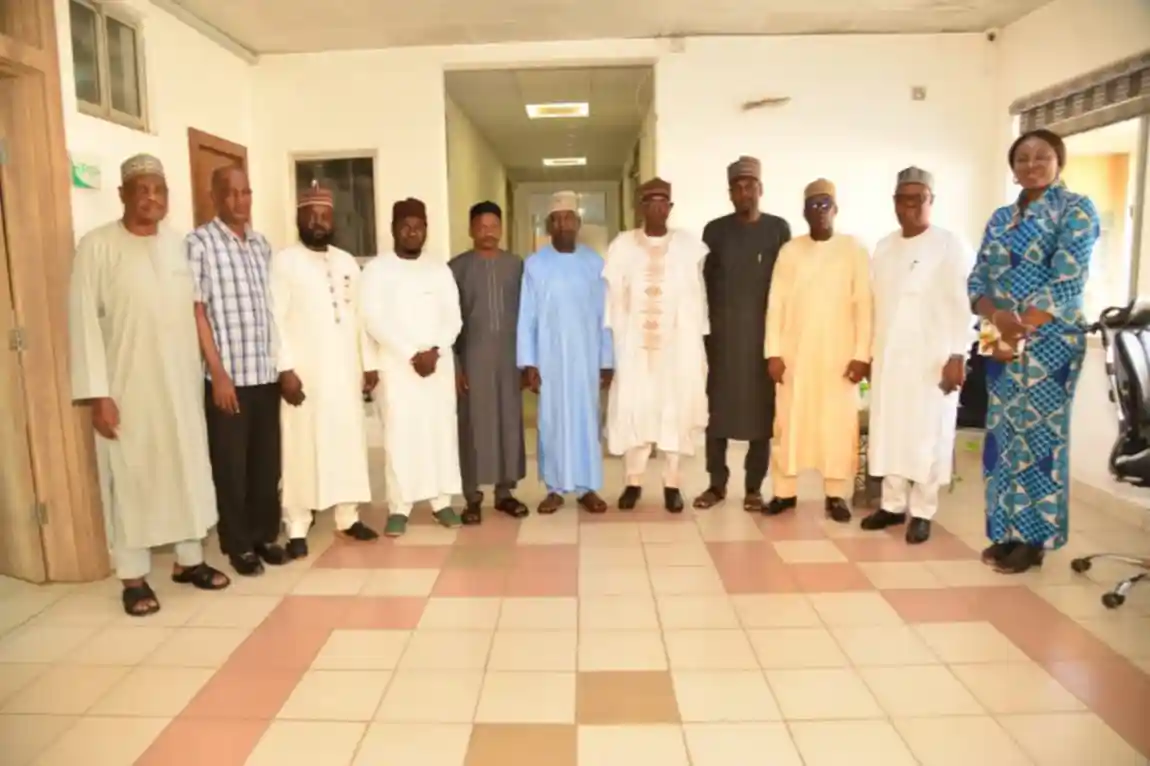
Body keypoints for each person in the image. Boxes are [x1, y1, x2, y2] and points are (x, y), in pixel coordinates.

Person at [69, 154, 230, 616]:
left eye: (158, 189)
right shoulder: (97, 246)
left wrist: (215, 371)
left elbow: (197, 312)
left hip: (180, 386)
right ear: (123, 194)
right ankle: (133, 577)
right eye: (142, 189)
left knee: (187, 471)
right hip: (128, 390)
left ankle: (189, 561)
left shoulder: (179, 245)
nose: (151, 197)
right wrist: (99, 395)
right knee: (133, 480)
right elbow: (83, 324)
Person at [968, 129, 1100, 574]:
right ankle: (1005, 532)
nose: (1031, 164)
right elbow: (978, 280)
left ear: (1059, 162)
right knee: (1002, 436)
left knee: (1040, 440)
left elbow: (1068, 279)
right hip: (999, 333)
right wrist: (996, 325)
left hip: (1049, 340)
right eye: (1022, 158)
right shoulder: (1000, 217)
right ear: (1012, 167)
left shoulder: (1075, 209)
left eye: (1042, 156)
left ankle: (1034, 540)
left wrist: (1019, 327)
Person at [862, 167, 974, 544]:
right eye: (903, 199)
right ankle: (892, 506)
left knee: (929, 435)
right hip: (891, 358)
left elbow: (964, 305)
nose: (909, 206)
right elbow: (876, 304)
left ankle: (923, 511)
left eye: (918, 199)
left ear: (931, 201)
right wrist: (870, 353)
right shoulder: (884, 247)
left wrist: (958, 354)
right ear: (894, 202)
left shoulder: (949, 245)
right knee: (891, 431)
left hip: (933, 359)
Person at [270, 182, 380, 559]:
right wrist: (285, 369)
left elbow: (360, 317)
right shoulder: (284, 262)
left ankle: (348, 518)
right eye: (312, 215)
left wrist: (369, 364)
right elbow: (274, 319)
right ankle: (297, 526)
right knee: (301, 450)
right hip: (305, 377)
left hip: (345, 375)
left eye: (325, 216)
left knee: (347, 445)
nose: (319, 222)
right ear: (299, 218)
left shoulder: (346, 262)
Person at [187, 165, 287, 576]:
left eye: (245, 192)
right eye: (229, 193)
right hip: (228, 379)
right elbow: (197, 310)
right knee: (231, 467)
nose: (239, 200)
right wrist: (218, 373)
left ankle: (264, 535)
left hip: (265, 373)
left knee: (266, 464)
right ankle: (238, 543)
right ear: (214, 196)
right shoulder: (199, 243)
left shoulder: (262, 246)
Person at [765, 179, 873, 523]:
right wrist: (773, 353)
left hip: (838, 357)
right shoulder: (790, 251)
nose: (820, 211)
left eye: (825, 204)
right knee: (788, 423)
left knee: (837, 425)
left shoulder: (853, 249)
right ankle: (784, 492)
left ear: (836, 209)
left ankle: (836, 495)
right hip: (795, 355)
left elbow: (864, 306)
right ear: (804, 212)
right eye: (813, 205)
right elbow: (776, 304)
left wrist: (862, 355)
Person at [603, 178, 709, 512]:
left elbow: (697, 298)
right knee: (635, 409)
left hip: (677, 348)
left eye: (663, 202)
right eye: (650, 202)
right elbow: (614, 299)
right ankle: (633, 482)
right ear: (640, 207)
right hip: (635, 347)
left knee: (674, 412)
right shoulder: (622, 246)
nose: (657, 208)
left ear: (670, 207)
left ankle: (672, 484)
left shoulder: (689, 246)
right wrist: (617, 343)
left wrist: (696, 344)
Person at [361, 198, 464, 537]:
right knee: (400, 437)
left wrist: (435, 350)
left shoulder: (439, 270)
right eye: (405, 226)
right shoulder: (377, 270)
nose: (412, 232)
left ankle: (441, 502)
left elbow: (454, 317)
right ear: (393, 229)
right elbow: (373, 319)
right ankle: (399, 508)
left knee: (440, 434)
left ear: (426, 230)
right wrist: (411, 353)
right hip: (397, 368)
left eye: (418, 227)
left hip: (437, 366)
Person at [694, 156, 792, 512]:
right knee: (717, 415)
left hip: (763, 341)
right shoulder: (714, 231)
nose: (743, 192)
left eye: (749, 186)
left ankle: (753, 487)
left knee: (761, 417)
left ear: (760, 189)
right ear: (730, 193)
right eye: (737, 187)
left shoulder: (778, 229)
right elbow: (704, 285)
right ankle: (716, 484)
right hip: (721, 340)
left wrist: (781, 341)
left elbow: (786, 285)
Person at [518, 190, 614, 515]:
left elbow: (605, 317)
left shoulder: (595, 264)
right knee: (552, 421)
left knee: (587, 421)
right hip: (550, 359)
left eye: (569, 218)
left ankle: (588, 488)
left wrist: (607, 360)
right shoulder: (535, 265)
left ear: (578, 223)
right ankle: (554, 488)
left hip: (586, 359)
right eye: (557, 220)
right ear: (549, 226)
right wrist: (529, 362)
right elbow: (526, 316)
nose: (563, 225)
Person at [449, 201, 528, 525]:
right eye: (481, 226)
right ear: (471, 229)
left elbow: (528, 315)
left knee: (508, 423)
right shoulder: (456, 268)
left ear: (501, 228)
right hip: (472, 357)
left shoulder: (516, 265)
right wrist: (456, 367)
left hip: (510, 358)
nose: (488, 232)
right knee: (473, 426)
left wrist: (528, 362)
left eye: (494, 226)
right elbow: (448, 322)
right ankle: (472, 497)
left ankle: (505, 493)